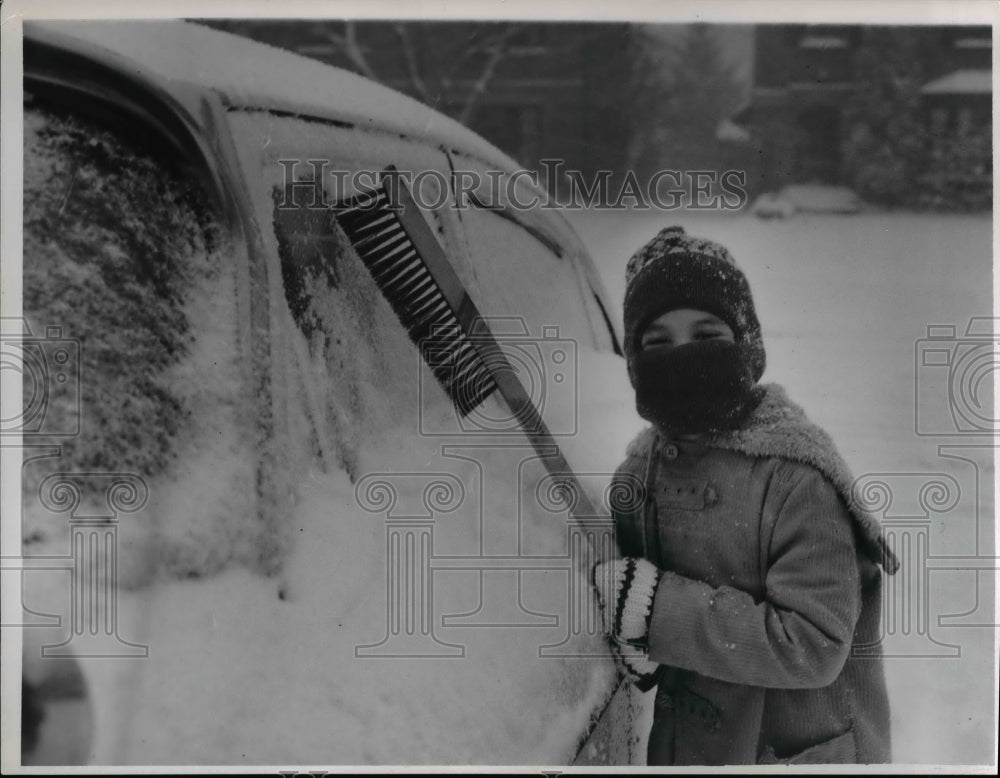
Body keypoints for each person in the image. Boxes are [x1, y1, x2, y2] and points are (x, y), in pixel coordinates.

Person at [592, 225, 898, 765]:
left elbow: (813, 644)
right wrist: (639, 646)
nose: (681, 358)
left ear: (748, 346)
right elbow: (633, 616)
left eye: (707, 336)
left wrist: (654, 613)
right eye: (656, 343)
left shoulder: (797, 477)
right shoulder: (637, 480)